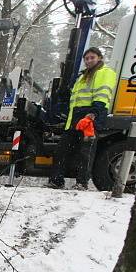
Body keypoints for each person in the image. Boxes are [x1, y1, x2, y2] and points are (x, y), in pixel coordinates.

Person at [48, 47, 117, 190]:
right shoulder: (83, 76)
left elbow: (102, 95)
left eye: (92, 57)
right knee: (62, 150)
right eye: (86, 58)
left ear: (99, 58)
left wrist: (92, 115)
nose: (89, 60)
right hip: (75, 118)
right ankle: (56, 181)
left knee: (86, 152)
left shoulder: (104, 72)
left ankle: (82, 183)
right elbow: (75, 98)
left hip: (89, 117)